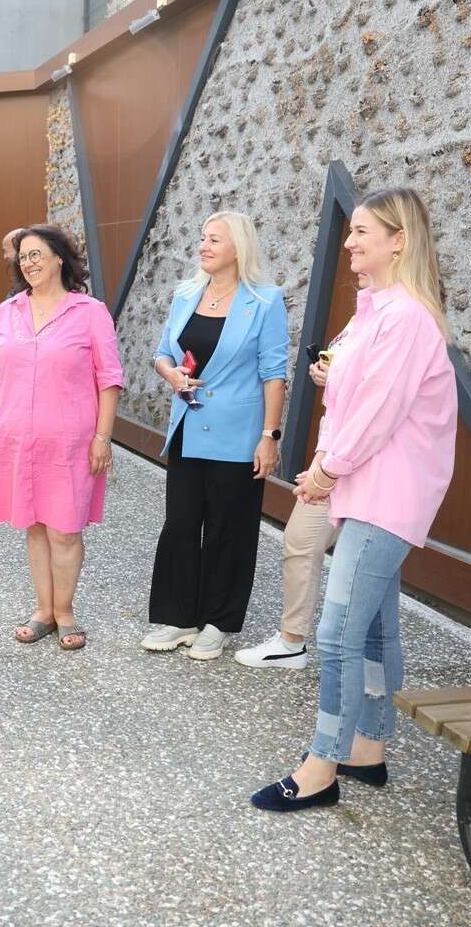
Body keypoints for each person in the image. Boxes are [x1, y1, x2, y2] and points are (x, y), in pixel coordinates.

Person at [251, 187, 456, 812]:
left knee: (338, 631)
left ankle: (322, 764)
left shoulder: (405, 317)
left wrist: (325, 469)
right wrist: (330, 379)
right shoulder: (376, 309)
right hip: (369, 489)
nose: (349, 242)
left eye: (362, 231)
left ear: (399, 241)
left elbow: (379, 410)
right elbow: (356, 389)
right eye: (351, 231)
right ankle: (367, 747)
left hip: (384, 493)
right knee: (371, 629)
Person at [0, 224, 123, 651]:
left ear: (59, 258)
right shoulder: (9, 311)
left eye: (36, 254)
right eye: (22, 257)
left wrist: (103, 438)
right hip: (17, 438)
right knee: (34, 526)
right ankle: (44, 611)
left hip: (70, 442)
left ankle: (65, 611)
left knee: (65, 530)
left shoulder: (89, 312)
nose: (28, 263)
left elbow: (109, 379)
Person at [140, 212, 288, 662]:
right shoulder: (186, 293)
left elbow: (274, 374)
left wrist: (269, 436)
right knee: (181, 524)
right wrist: (171, 375)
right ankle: (180, 616)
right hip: (188, 428)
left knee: (230, 530)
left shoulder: (265, 301)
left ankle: (218, 623)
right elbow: (163, 354)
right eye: (203, 238)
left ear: (238, 247)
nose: (203, 246)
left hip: (239, 435)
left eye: (214, 240)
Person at [234, 274, 368, 670]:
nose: (351, 251)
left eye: (361, 246)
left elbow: (380, 400)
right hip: (336, 450)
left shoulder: (401, 320)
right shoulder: (362, 316)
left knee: (365, 565)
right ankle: (293, 641)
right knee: (302, 540)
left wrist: (323, 472)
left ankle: (359, 660)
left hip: (365, 459)